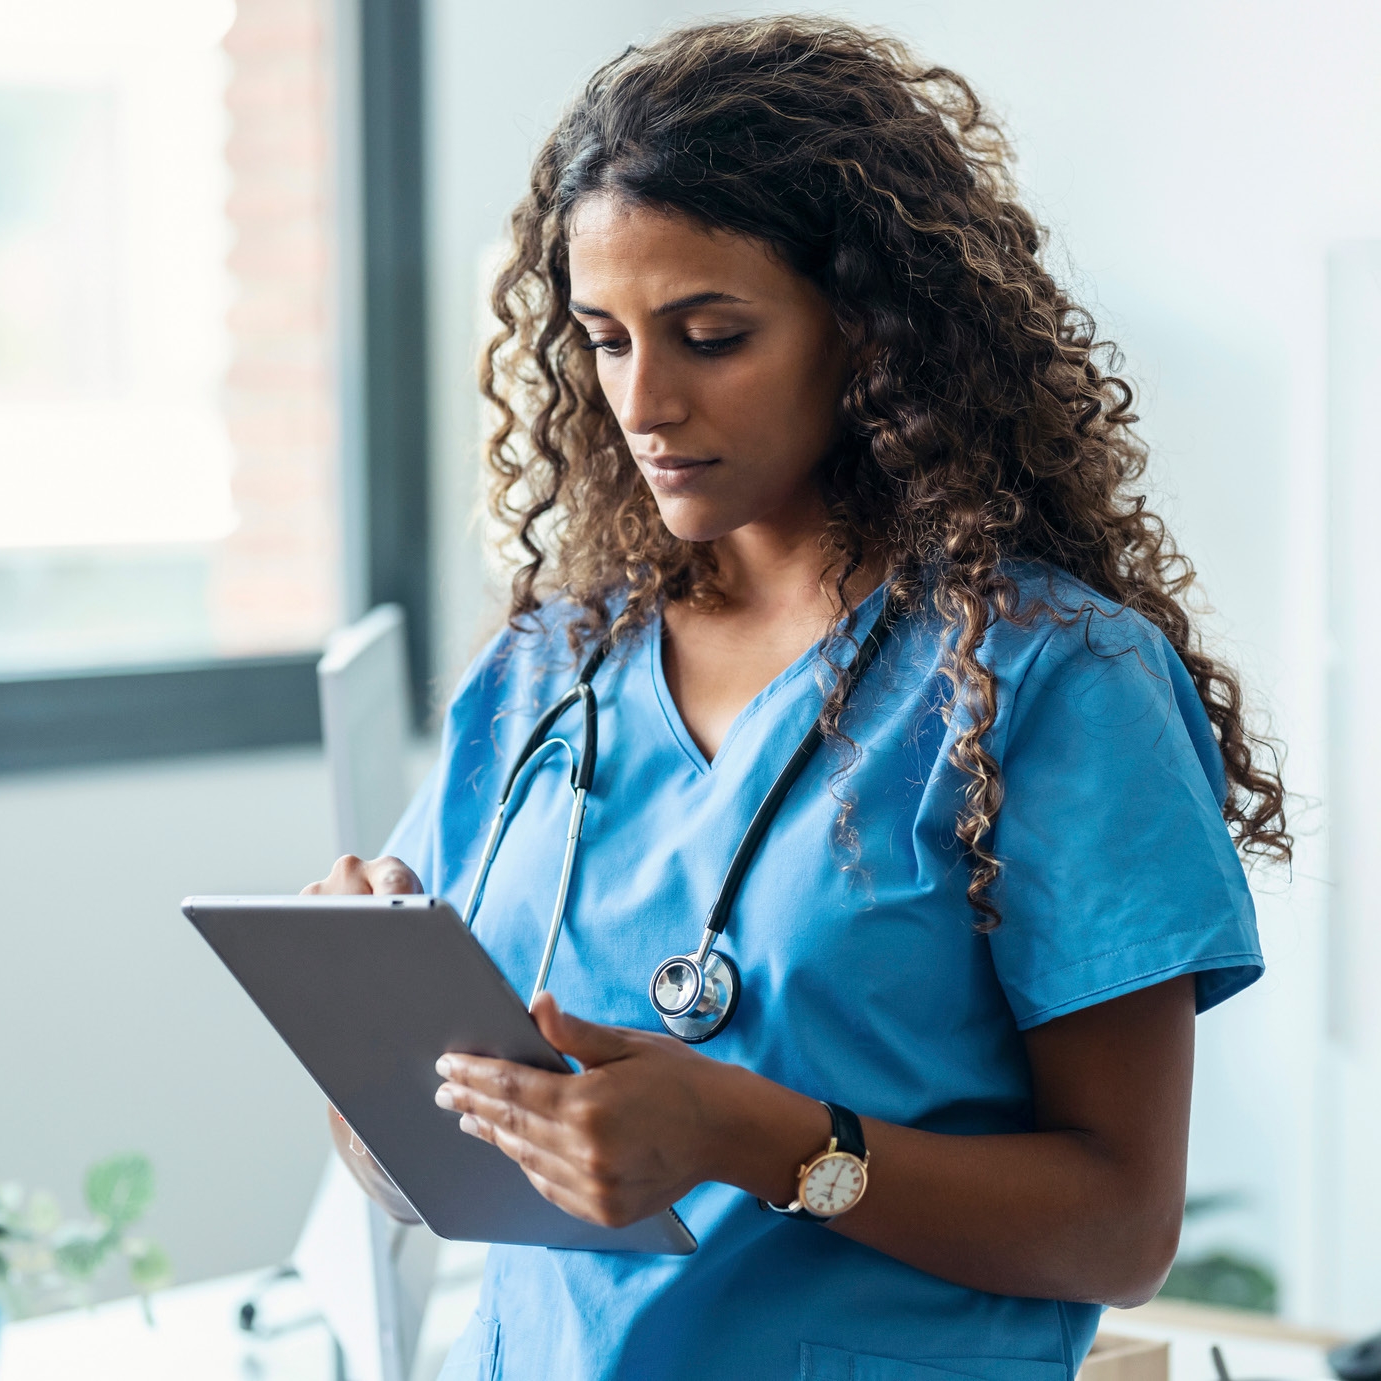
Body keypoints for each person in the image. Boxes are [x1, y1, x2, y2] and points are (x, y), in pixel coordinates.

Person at [306, 16, 1288, 1379]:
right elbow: (419, 1174)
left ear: (869, 331)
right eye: (603, 339)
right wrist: (365, 1034)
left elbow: (1120, 1227)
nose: (642, 400)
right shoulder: (546, 672)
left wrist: (748, 1135)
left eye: (710, 334)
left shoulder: (1054, 682)